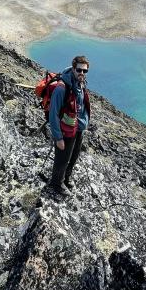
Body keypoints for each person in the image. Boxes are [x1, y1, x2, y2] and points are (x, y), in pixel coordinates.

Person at [48, 55, 91, 195]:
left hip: (78, 127)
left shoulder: (81, 83)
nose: (82, 73)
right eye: (79, 70)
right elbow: (53, 114)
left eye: (85, 71)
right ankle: (56, 184)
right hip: (65, 129)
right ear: (73, 69)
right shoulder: (62, 88)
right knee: (62, 158)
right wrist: (58, 138)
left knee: (73, 156)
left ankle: (66, 178)